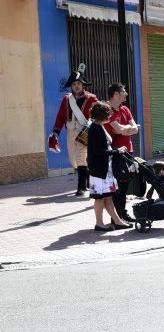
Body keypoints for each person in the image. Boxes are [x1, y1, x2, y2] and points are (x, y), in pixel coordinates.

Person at [50, 70, 98, 196]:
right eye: (74, 84)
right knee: (74, 159)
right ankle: (86, 181)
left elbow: (96, 115)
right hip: (71, 133)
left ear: (83, 85)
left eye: (78, 83)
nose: (76, 86)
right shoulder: (67, 99)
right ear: (71, 86)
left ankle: (81, 187)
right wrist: (55, 133)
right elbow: (60, 117)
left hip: (85, 132)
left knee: (81, 158)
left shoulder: (91, 98)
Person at [86, 101, 130, 231]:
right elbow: (98, 151)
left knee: (108, 197)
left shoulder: (98, 126)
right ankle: (99, 224)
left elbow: (104, 148)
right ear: (102, 115)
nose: (110, 116)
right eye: (108, 113)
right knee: (100, 198)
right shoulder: (96, 128)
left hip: (104, 168)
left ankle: (117, 221)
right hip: (100, 169)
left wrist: (116, 150)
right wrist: (117, 151)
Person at [105, 84, 140, 222]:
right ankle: (116, 217)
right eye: (123, 92)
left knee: (125, 184)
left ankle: (122, 213)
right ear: (116, 94)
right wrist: (128, 128)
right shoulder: (107, 110)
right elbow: (118, 129)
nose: (126, 94)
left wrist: (126, 129)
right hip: (115, 152)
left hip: (128, 150)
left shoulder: (125, 109)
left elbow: (135, 129)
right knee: (116, 186)